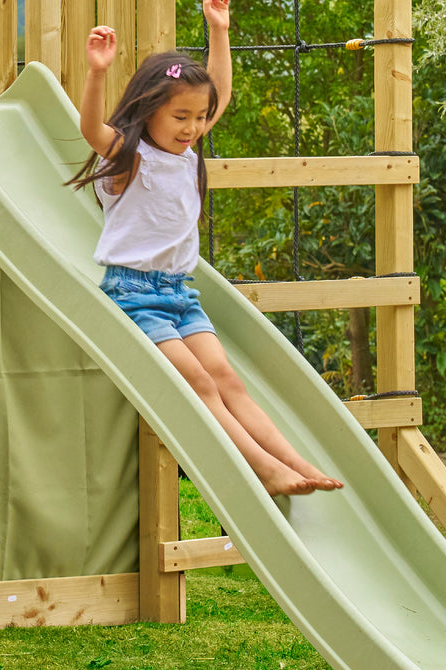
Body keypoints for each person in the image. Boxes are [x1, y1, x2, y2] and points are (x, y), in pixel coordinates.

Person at [71, 0, 342, 496]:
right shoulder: (133, 158)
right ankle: (266, 470)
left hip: (180, 294)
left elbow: (219, 91)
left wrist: (219, 30)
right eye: (180, 116)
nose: (193, 127)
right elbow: (92, 130)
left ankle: (294, 461)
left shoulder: (186, 152)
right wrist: (96, 74)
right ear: (150, 109)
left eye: (198, 117)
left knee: (227, 379)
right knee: (199, 382)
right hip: (134, 295)